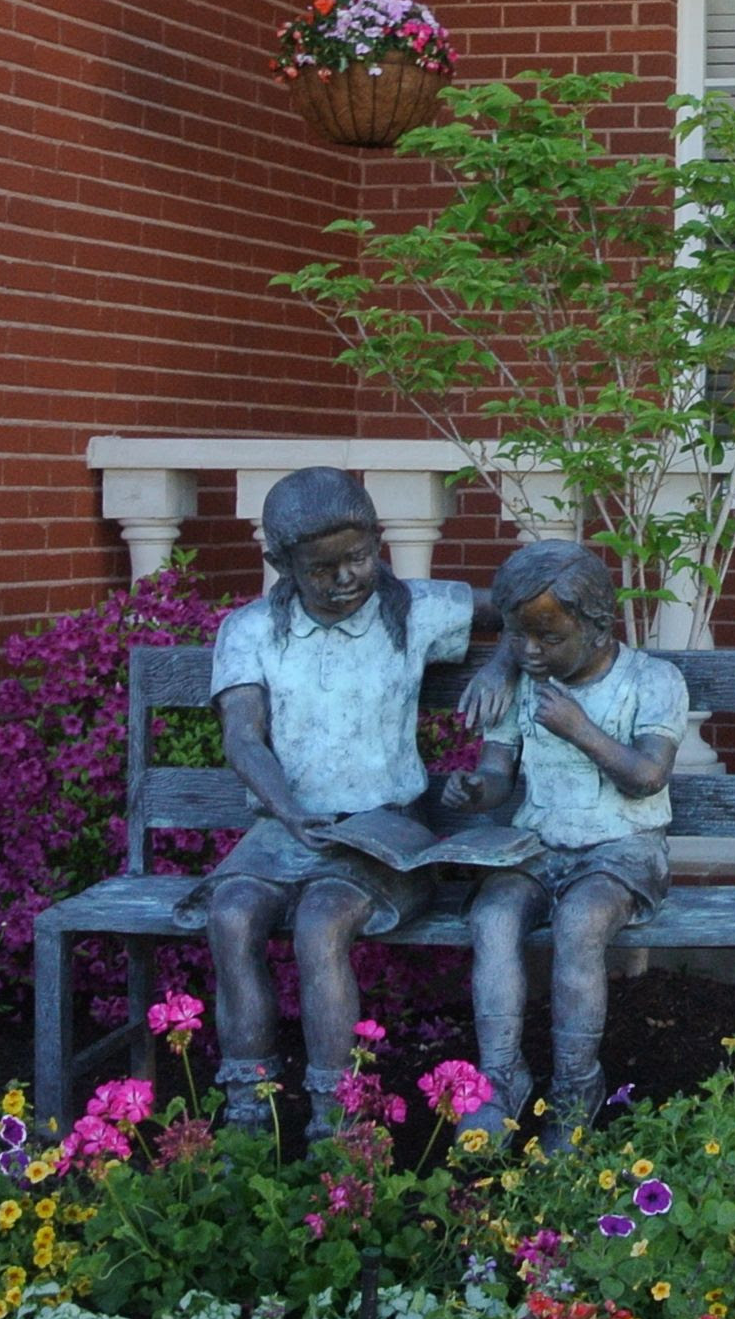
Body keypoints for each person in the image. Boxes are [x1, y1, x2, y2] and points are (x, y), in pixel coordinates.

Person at [181, 466, 510, 1131]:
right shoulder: (251, 630)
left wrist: (502, 666)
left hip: (386, 832)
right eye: (321, 569)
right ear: (282, 566)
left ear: (378, 541)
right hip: (286, 829)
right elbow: (242, 736)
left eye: (358, 557)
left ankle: (337, 1117)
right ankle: (248, 1111)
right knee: (232, 914)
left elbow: (522, 602)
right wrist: (288, 810)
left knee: (321, 921)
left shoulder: (415, 609)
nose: (345, 578)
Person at [443, 537, 683, 1149]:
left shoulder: (652, 681)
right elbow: (498, 772)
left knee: (579, 921)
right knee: (493, 917)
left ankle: (577, 1086)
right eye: (518, 636)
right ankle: (501, 1078)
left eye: (548, 638)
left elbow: (647, 777)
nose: (529, 651)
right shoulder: (525, 680)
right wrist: (477, 789)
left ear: (598, 627)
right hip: (539, 845)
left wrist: (580, 729)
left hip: (624, 848)